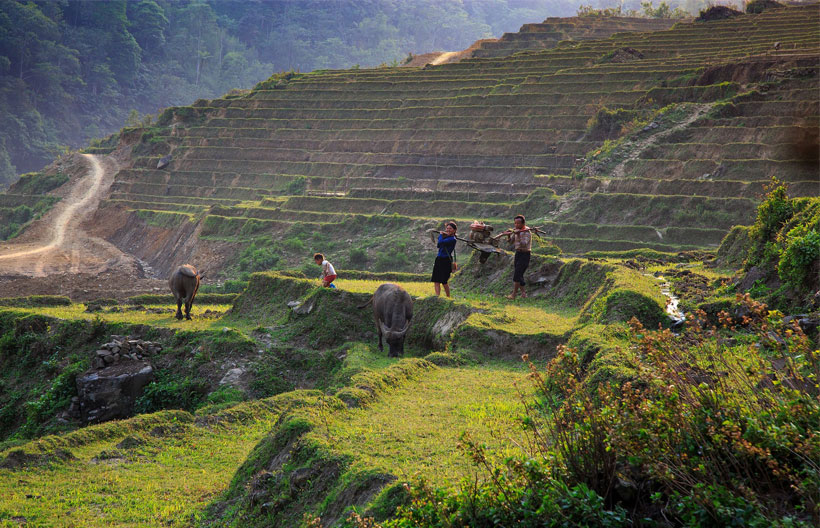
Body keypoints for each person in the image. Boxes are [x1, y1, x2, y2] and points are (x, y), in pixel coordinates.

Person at [503, 215, 531, 299]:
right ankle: (523, 294)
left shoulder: (527, 232)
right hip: (518, 253)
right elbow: (510, 242)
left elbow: (524, 243)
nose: (516, 225)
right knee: (519, 274)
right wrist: (508, 235)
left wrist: (518, 235)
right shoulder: (516, 231)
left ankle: (514, 294)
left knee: (517, 275)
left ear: (523, 223)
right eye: (515, 223)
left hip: (525, 254)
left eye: (518, 223)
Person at [431, 221, 457, 297]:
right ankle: (437, 296)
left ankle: (448, 296)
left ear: (454, 230)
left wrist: (441, 235)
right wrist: (443, 235)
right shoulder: (448, 237)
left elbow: (439, 244)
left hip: (446, 261)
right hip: (439, 259)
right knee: (436, 280)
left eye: (450, 228)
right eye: (447, 228)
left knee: (444, 281)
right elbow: (440, 245)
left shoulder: (452, 239)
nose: (448, 230)